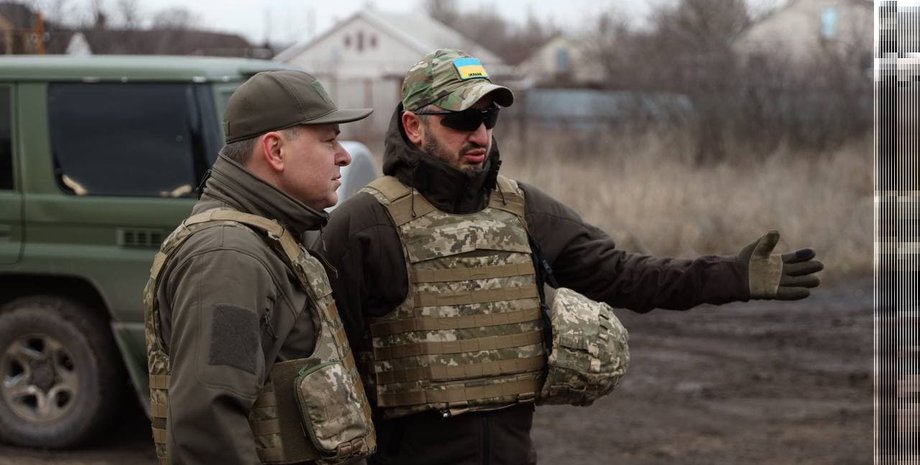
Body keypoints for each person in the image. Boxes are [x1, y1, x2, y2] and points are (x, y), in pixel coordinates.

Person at [321, 49, 824, 465]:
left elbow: (622, 275)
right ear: (414, 126)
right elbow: (323, 366)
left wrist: (731, 276)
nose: (480, 134)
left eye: (488, 118)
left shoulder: (523, 209)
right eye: (462, 119)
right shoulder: (363, 225)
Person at [143, 70, 377, 465]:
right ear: (275, 151)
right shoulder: (227, 259)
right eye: (329, 140)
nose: (344, 155)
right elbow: (208, 428)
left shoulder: (273, 236)